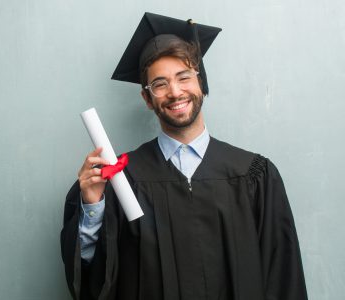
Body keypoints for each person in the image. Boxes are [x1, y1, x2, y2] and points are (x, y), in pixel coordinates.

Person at [61, 12, 308, 300]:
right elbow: (96, 274)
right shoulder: (122, 180)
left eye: (184, 77)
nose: (175, 92)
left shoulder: (254, 174)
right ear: (147, 98)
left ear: (201, 83)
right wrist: (92, 206)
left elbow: (283, 277)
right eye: (160, 84)